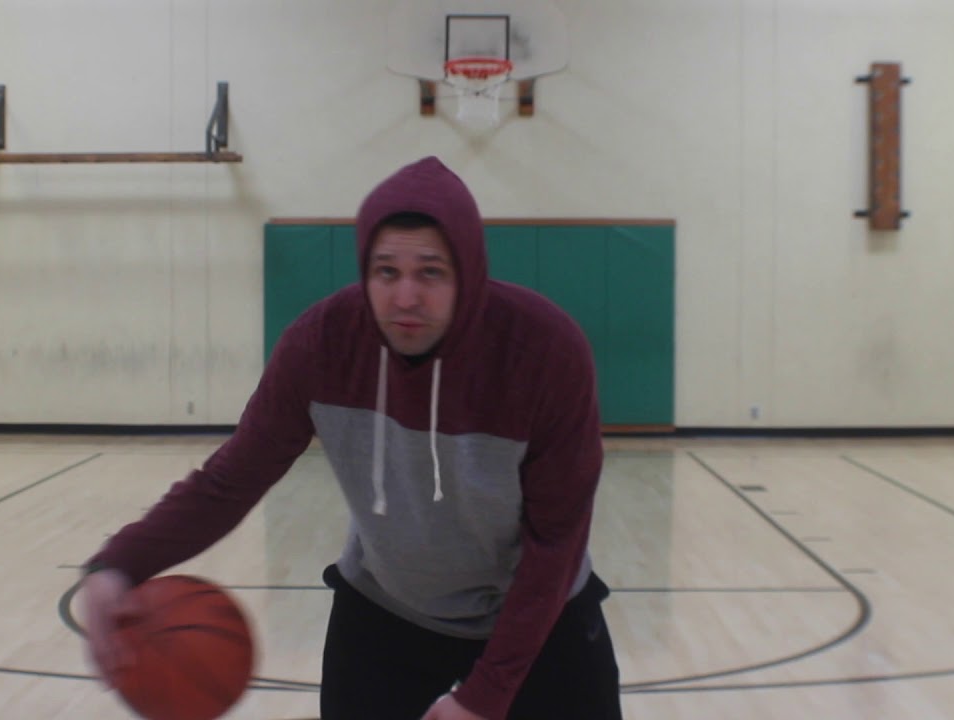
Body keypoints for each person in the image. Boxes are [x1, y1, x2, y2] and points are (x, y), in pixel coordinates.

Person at [79, 156, 622, 720]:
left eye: (430, 271)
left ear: (469, 273)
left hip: (536, 617)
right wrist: (118, 564)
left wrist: (486, 696)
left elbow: (555, 542)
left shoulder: (546, 354)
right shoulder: (322, 345)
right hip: (388, 612)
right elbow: (229, 481)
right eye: (386, 271)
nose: (405, 297)